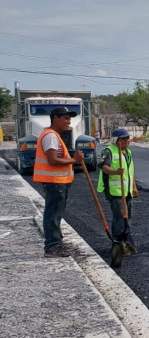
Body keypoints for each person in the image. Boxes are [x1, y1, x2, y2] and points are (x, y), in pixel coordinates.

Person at [35, 107, 84, 258]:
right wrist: (74, 160)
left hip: (58, 182)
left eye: (70, 119)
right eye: (65, 118)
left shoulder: (55, 135)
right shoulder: (50, 136)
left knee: (56, 214)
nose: (68, 122)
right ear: (55, 118)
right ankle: (52, 248)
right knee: (53, 215)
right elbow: (53, 160)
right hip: (54, 182)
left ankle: (57, 244)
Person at [98, 128, 138, 267]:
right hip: (115, 191)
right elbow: (103, 167)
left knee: (128, 216)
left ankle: (126, 239)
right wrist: (115, 171)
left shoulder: (128, 153)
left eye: (128, 138)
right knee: (119, 216)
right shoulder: (109, 151)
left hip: (126, 190)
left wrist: (134, 187)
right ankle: (118, 242)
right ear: (117, 140)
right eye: (123, 139)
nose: (127, 141)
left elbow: (130, 171)